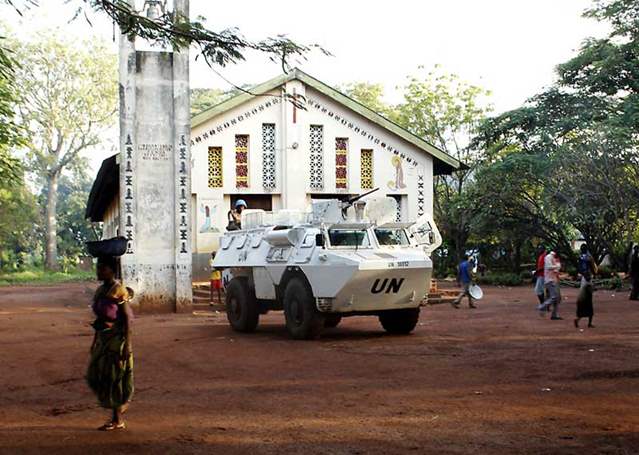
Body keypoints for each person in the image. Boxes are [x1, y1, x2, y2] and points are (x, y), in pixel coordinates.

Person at [87, 256, 134, 431]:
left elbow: (128, 319)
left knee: (115, 377)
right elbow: (99, 319)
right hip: (103, 338)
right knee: (95, 375)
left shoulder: (118, 290)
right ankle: (119, 406)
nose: (98, 271)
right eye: (98, 267)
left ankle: (117, 418)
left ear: (112, 271)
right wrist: (94, 342)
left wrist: (127, 345)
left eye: (102, 268)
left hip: (117, 339)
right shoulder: (100, 290)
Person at [575, 244, 598, 328]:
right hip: (588, 279)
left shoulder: (580, 257)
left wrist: (583, 274)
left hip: (583, 279)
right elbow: (594, 269)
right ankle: (589, 322)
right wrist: (592, 274)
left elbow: (579, 268)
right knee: (589, 302)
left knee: (583, 299)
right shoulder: (589, 257)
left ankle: (579, 318)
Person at [538, 249, 562, 319]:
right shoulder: (548, 257)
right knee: (554, 297)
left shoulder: (554, 258)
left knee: (557, 298)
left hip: (554, 280)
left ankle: (554, 315)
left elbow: (555, 270)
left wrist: (557, 268)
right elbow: (548, 267)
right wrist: (557, 266)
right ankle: (542, 307)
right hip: (550, 280)